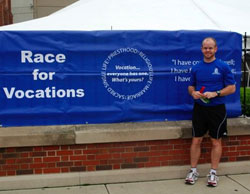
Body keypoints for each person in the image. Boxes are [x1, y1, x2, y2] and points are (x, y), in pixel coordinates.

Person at [185, 37, 236, 187]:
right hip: (199, 109)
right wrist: (193, 93)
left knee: (215, 141)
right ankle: (193, 171)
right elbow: (190, 86)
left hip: (217, 110)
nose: (208, 50)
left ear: (216, 49)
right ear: (201, 49)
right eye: (205, 48)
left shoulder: (223, 66)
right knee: (196, 140)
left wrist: (216, 93)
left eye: (210, 48)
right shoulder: (196, 67)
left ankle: (213, 173)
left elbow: (232, 87)